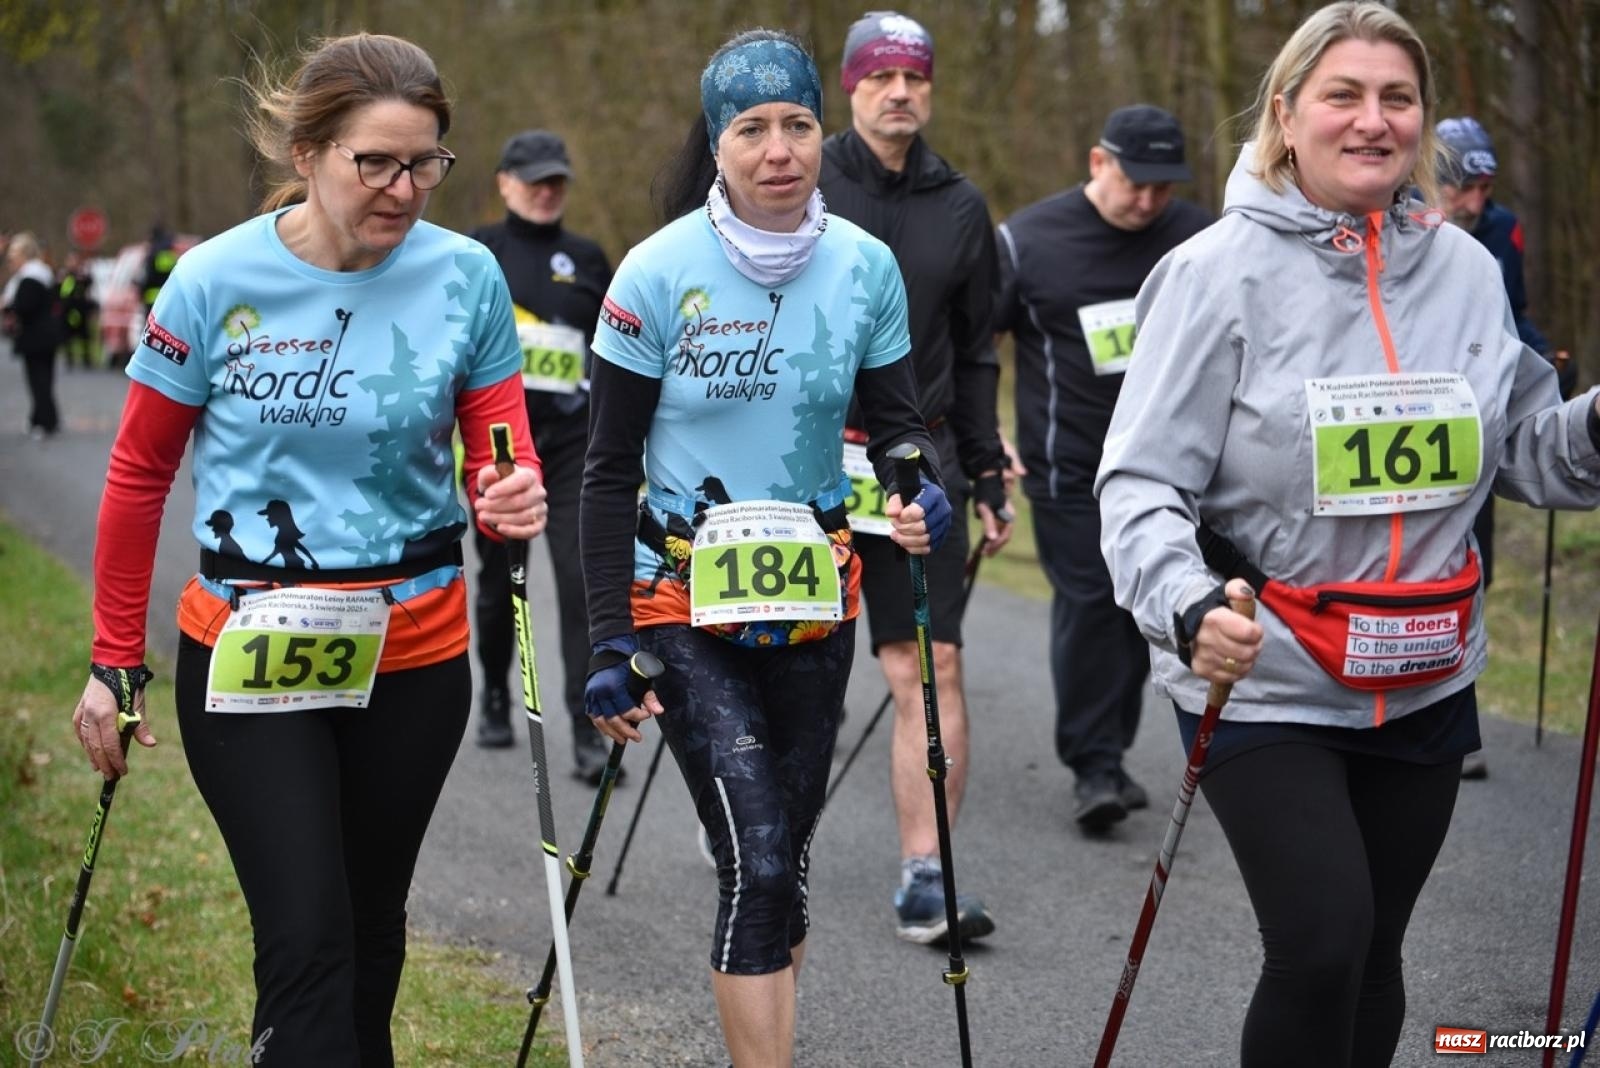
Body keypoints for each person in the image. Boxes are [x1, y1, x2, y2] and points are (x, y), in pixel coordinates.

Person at [1096, 4, 1600, 1065]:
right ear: (1286, 114)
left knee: (1376, 957)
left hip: (1422, 671)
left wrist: (1594, 426)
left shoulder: (1463, 270)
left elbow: (1523, 452)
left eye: (1396, 99)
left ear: (1420, 121)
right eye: (1343, 95)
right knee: (1322, 941)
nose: (1372, 121)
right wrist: (1185, 607)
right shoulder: (1213, 273)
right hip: (1267, 671)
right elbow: (1139, 485)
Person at [69, 33, 546, 1067]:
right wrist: (114, 658)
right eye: (373, 161)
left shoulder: (466, 277)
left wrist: (507, 493)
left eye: (424, 162)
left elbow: (497, 448)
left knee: (371, 936)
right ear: (307, 152)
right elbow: (139, 473)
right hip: (250, 653)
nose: (403, 187)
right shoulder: (210, 280)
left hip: (412, 654)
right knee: (308, 939)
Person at [580, 28, 946, 1068]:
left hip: (814, 596)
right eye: (751, 129)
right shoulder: (655, 274)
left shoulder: (864, 268)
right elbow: (605, 470)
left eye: (796, 123)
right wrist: (608, 641)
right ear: (716, 144)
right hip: (680, 602)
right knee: (757, 855)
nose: (779, 148)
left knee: (786, 861)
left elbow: (896, 419)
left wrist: (921, 482)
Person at [818, 8, 1010, 944]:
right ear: (851, 86)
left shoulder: (963, 206)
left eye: (915, 78)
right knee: (779, 667)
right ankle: (746, 816)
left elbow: (976, 353)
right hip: (803, 460)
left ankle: (926, 877)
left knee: (929, 667)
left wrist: (986, 470)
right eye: (881, 77)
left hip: (911, 464)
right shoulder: (798, 178)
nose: (900, 92)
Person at [995, 104, 1212, 834]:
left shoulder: (1199, 237)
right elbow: (973, 343)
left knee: (1142, 612)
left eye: (1163, 186)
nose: (1149, 200)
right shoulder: (1028, 241)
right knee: (1093, 606)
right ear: (1098, 163)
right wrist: (982, 438)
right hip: (1071, 468)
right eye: (1135, 181)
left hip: (1178, 467)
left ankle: (1110, 752)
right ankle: (1095, 765)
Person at [467, 129, 615, 773]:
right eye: (534, 180)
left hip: (571, 442)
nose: (547, 191)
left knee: (582, 582)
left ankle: (586, 726)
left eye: (556, 180)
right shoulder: (477, 252)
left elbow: (614, 351)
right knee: (501, 583)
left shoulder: (587, 257)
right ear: (504, 182)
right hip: (501, 448)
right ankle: (496, 693)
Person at [1435, 114, 1573, 780]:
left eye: (1484, 187)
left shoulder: (1500, 228)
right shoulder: (1395, 219)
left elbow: (1509, 312)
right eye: (1464, 187)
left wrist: (1544, 356)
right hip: (1409, 420)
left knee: (1470, 563)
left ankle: (1460, 719)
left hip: (1474, 423)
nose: (1475, 202)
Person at [3, 232, 61, 438]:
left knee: (38, 381)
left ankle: (45, 422)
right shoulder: (44, 274)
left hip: (36, 338)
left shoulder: (29, 278)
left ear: (23, 256)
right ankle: (44, 417)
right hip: (47, 336)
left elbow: (24, 307)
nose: (10, 261)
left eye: (13, 256)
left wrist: (9, 307)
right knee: (44, 379)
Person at [57, 249, 98, 370]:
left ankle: (87, 359)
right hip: (68, 310)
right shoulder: (65, 275)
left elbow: (90, 285)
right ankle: (69, 359)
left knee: (85, 335)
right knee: (67, 336)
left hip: (81, 310)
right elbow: (60, 292)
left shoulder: (82, 276)